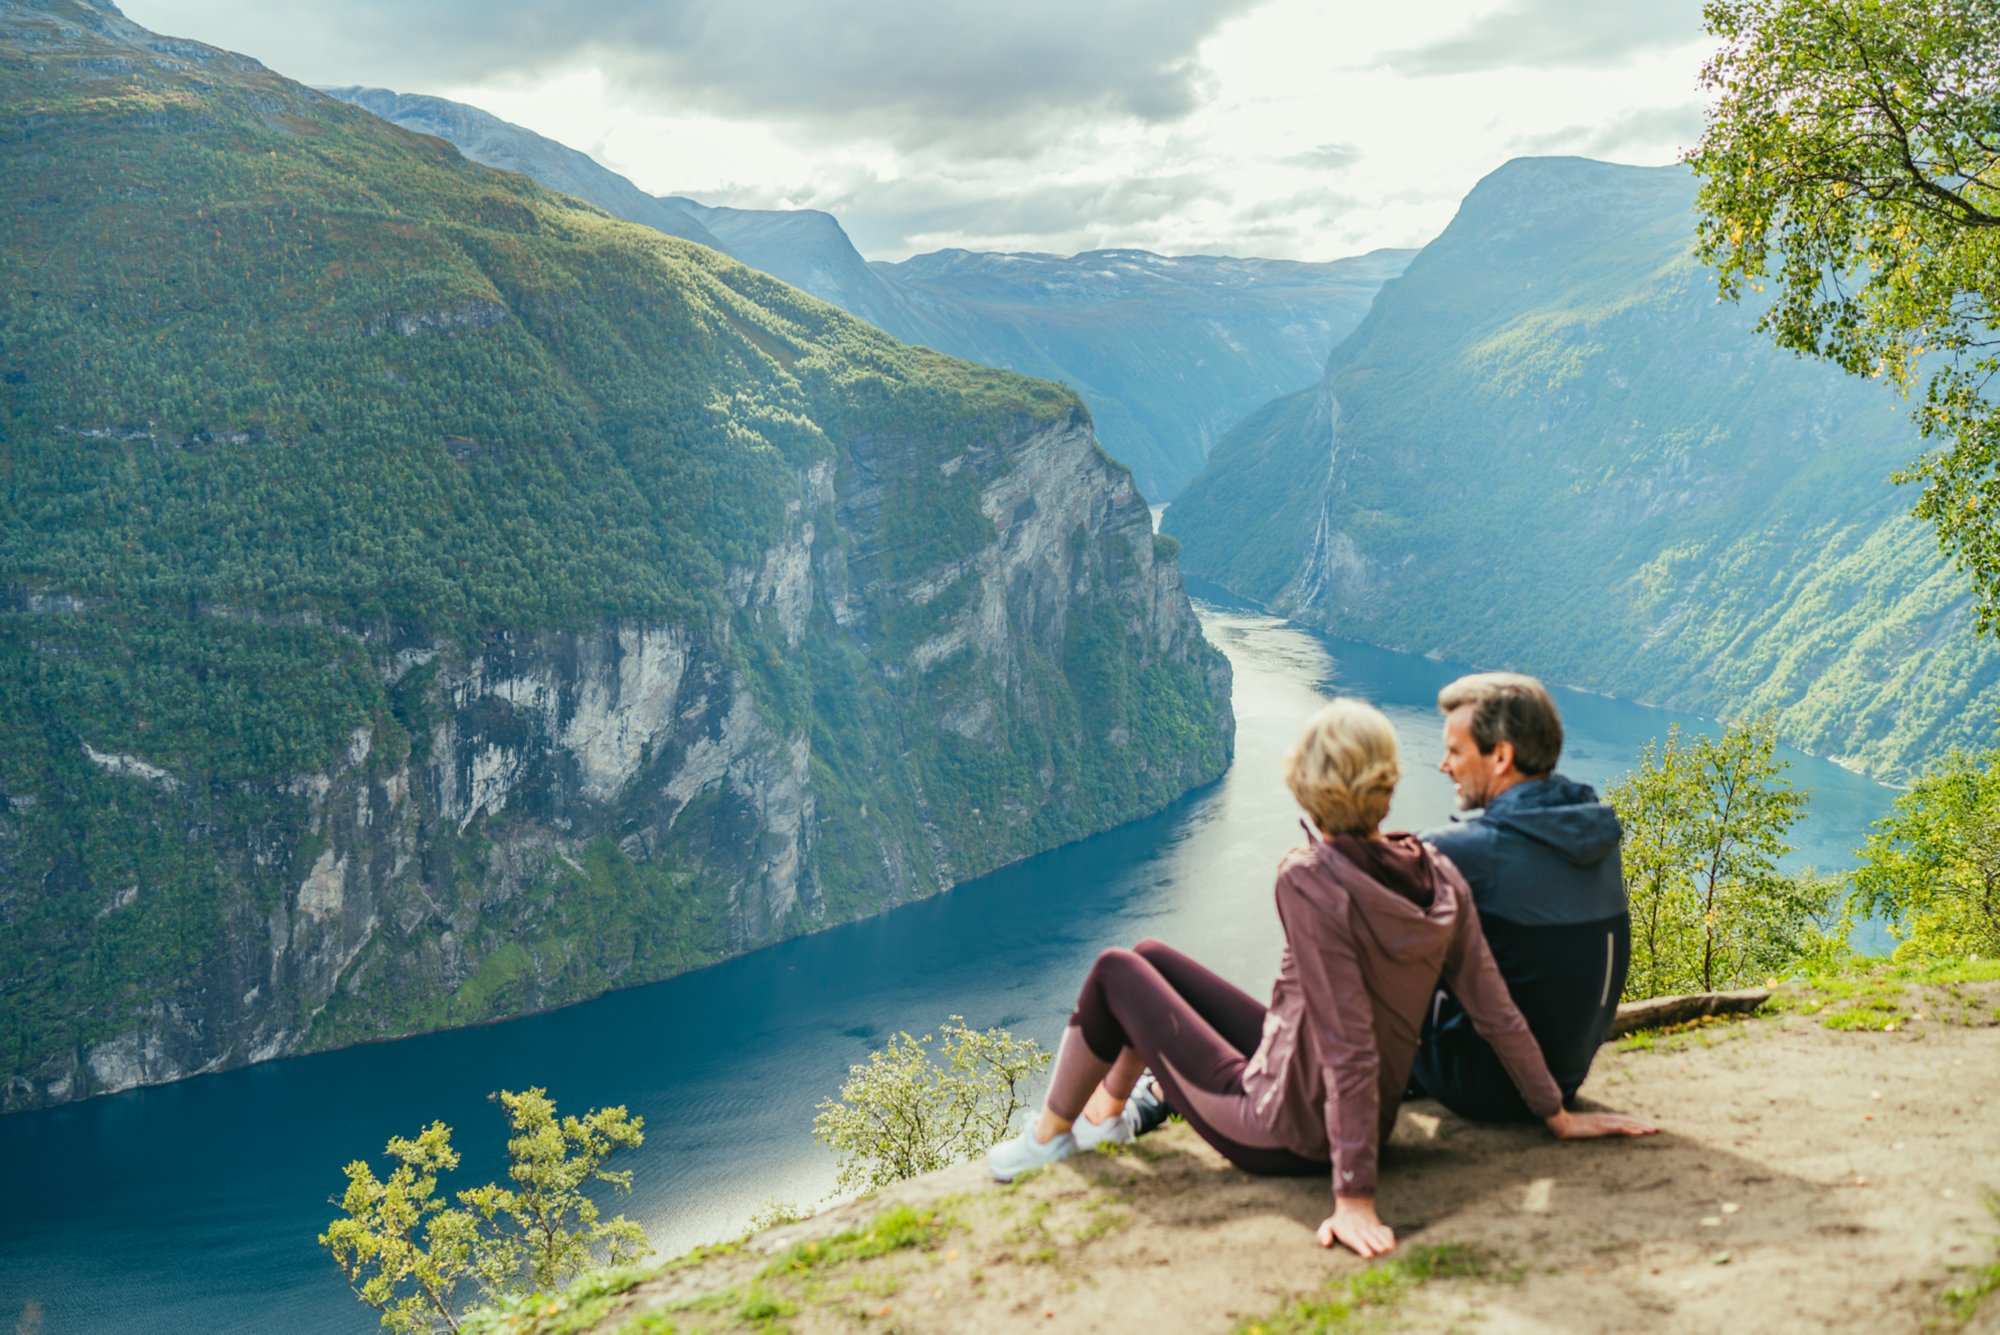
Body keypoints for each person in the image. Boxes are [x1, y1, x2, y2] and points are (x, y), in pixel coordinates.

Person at [986, 698, 1657, 1257]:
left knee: (1112, 972)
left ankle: (1047, 1140)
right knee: (1151, 955)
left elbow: (1347, 1042)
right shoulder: (1437, 872)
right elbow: (1495, 1009)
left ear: (1304, 785)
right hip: (1318, 1087)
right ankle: (1105, 1120)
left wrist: (1354, 1198)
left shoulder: (1310, 877)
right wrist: (1555, 1111)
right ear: (1387, 788)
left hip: (1279, 1127)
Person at [1412, 673, 1631, 1121]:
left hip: (1485, 1085)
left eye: (1455, 751)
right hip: (1566, 1077)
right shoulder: (1595, 833)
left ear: (1501, 757)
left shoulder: (1470, 851)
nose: (1443, 765)